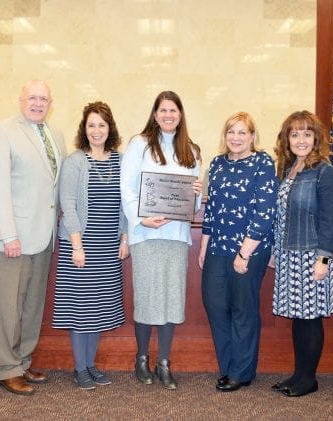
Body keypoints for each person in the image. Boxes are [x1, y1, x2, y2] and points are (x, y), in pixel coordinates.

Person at [0, 80, 67, 395]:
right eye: (32, 97)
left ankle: (22, 360)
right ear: (20, 100)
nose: (38, 103)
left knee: (32, 306)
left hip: (43, 236)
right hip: (12, 239)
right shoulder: (2, 132)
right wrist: (8, 235)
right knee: (7, 307)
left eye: (43, 98)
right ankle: (6, 368)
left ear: (51, 103)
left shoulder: (55, 134)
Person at [120, 90, 202, 390]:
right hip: (145, 235)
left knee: (171, 298)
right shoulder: (139, 145)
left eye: (173, 110)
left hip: (176, 237)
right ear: (155, 115)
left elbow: (193, 204)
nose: (168, 115)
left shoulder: (191, 150)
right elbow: (127, 187)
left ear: (180, 115)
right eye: (163, 110)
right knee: (147, 297)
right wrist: (141, 219)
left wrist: (197, 194)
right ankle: (141, 358)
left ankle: (164, 361)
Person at [52, 101, 129, 390]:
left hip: (108, 247)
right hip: (81, 246)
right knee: (80, 308)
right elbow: (68, 204)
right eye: (91, 125)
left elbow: (127, 204)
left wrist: (125, 239)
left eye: (102, 125)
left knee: (98, 309)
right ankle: (79, 367)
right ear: (84, 129)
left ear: (110, 128)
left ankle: (91, 364)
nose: (97, 130)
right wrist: (76, 245)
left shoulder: (121, 161)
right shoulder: (75, 161)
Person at [198, 111, 277, 392]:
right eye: (231, 131)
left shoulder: (263, 163)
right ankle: (228, 366)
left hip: (249, 250)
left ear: (252, 136)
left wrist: (244, 253)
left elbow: (265, 212)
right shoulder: (217, 164)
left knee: (243, 309)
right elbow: (211, 210)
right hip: (217, 248)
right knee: (215, 305)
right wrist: (204, 248)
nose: (236, 137)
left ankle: (242, 372)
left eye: (242, 132)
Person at [271, 111, 333, 397]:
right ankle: (298, 374)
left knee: (310, 318)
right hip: (288, 254)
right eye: (295, 134)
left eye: (307, 134)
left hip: (312, 256)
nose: (301, 140)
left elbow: (330, 219)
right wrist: (275, 251)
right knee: (298, 317)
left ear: (316, 138)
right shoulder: (288, 169)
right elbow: (281, 216)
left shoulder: (323, 171)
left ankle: (309, 379)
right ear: (287, 139)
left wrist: (323, 259)